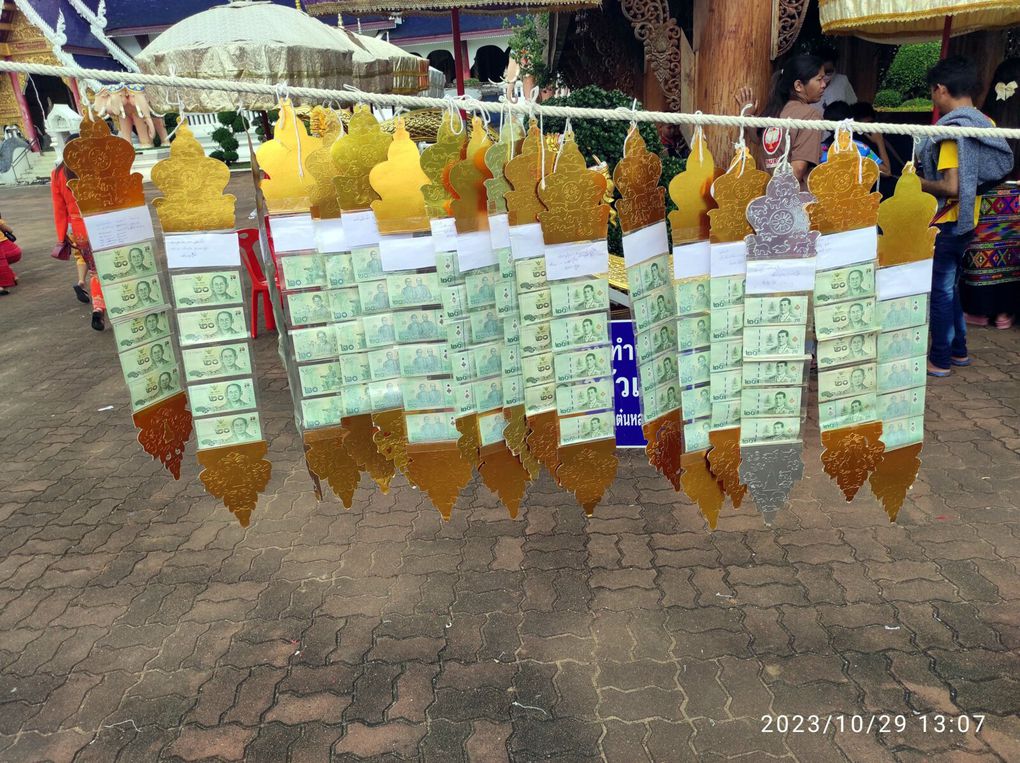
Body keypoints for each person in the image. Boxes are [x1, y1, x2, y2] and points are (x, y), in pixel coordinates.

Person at [918, 56, 1014, 377]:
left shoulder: (951, 131)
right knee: (952, 286)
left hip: (948, 221)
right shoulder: (986, 123)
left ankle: (940, 358)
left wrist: (913, 182)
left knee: (941, 290)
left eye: (933, 92)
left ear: (941, 89)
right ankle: (958, 351)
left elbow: (951, 186)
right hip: (969, 219)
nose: (933, 99)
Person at [961, 57, 1020, 330]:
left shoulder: (984, 120)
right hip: (1018, 197)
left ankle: (979, 312)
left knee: (982, 255)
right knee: (1012, 257)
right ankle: (1005, 314)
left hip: (989, 195)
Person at [52, 149, 105, 330]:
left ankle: (98, 308)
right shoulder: (92, 166)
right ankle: (111, 303)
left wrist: (61, 237)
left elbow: (59, 208)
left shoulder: (58, 172)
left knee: (94, 271)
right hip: (102, 222)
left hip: (79, 228)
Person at [755, 54, 827, 186]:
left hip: (768, 196)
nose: (824, 84)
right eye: (819, 79)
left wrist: (746, 115)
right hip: (792, 200)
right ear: (799, 85)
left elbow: (755, 136)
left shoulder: (773, 113)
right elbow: (798, 169)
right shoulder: (810, 115)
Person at [820, 101, 886, 173]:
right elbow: (886, 172)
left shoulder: (820, 149)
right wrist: (880, 141)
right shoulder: (861, 148)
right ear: (851, 121)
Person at [814, 45, 857, 113]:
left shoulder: (842, 81)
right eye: (821, 72)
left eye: (828, 72)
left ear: (834, 68)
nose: (824, 75)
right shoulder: (808, 84)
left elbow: (853, 106)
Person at [0, 213, 20, 295]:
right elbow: (10, 231)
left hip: (4, 250)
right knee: (2, 264)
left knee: (1, 265)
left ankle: (3, 286)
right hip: (13, 250)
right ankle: (12, 277)